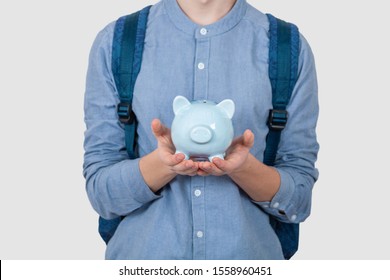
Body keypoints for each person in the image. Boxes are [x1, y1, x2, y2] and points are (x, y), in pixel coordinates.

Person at [83, 0, 319, 259]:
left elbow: (299, 199)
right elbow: (101, 194)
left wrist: (244, 169)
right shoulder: (116, 43)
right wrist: (163, 165)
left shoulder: (287, 48)